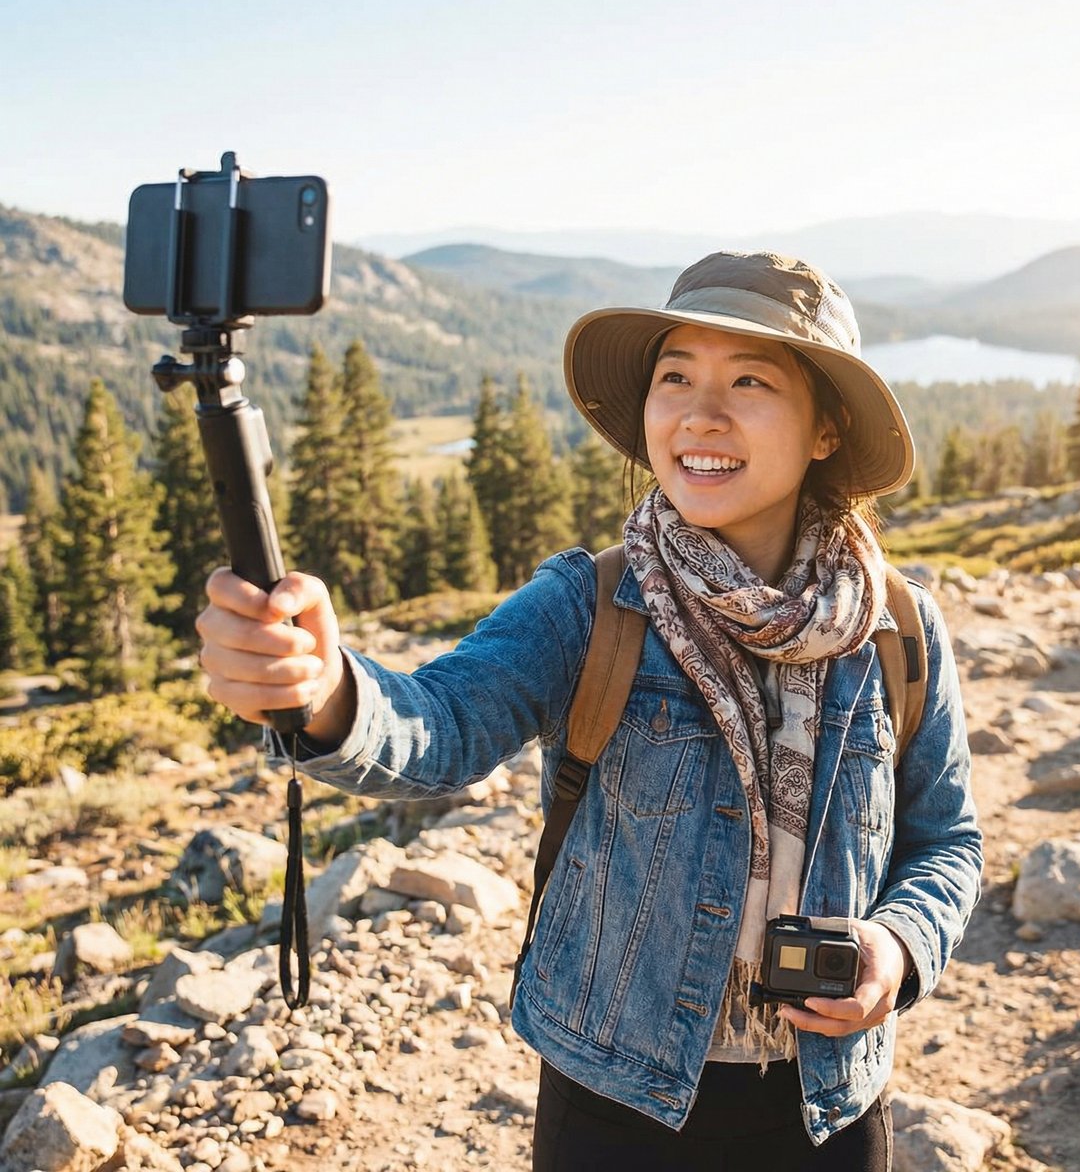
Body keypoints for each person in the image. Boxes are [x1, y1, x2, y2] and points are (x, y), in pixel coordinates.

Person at [197, 251, 983, 1171]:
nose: (699, 413)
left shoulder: (897, 627)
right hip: (614, 1102)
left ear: (824, 430)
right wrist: (325, 692)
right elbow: (440, 725)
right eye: (675, 377)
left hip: (828, 1106)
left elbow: (947, 842)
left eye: (751, 382)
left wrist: (896, 946)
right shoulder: (591, 604)